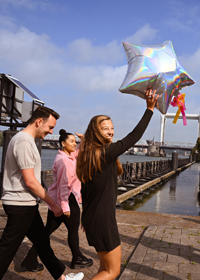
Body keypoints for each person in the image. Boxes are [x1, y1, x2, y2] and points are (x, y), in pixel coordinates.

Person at [0, 106, 83, 280]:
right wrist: (53, 203)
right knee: (6, 250)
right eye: (50, 127)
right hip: (20, 204)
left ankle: (62, 278)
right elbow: (30, 181)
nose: (51, 132)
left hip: (26, 204)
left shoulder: (25, 140)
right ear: (38, 122)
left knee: (42, 243)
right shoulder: (24, 141)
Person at [76, 88, 158, 280]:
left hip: (93, 218)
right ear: (96, 131)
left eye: (112, 127)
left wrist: (86, 218)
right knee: (112, 272)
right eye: (105, 128)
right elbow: (134, 136)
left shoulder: (89, 155)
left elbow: (84, 191)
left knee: (103, 268)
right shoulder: (104, 153)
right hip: (103, 219)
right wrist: (150, 109)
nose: (111, 131)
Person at [20, 129, 93, 271]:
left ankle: (30, 260)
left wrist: (83, 140)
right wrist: (65, 206)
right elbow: (63, 185)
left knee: (47, 231)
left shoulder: (68, 156)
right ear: (63, 143)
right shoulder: (64, 161)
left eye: (75, 141)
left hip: (61, 199)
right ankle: (77, 258)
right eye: (71, 141)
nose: (74, 143)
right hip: (67, 199)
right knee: (72, 231)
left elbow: (79, 152)